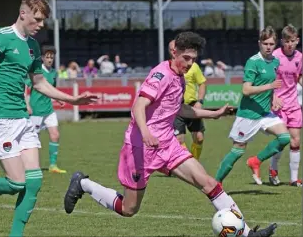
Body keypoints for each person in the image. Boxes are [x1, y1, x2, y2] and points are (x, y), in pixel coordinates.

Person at [64, 32, 277, 237]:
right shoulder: (161, 75)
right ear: (174, 52)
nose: (190, 63)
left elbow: (181, 109)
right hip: (140, 148)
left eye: (193, 59)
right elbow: (139, 106)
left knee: (208, 183)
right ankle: (83, 184)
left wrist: (214, 114)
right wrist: (146, 133)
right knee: (129, 209)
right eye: (186, 58)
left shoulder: (180, 77)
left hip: (167, 145)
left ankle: (247, 233)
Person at [0, 0, 98, 236]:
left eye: (43, 21)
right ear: (23, 14)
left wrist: (72, 99)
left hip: (22, 118)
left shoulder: (33, 46)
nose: (41, 25)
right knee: (16, 183)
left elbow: (39, 82)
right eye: (37, 19)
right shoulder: (1, 36)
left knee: (34, 182)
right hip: (1, 118)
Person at [215, 26, 290, 186]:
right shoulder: (253, 62)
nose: (268, 47)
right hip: (248, 114)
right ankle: (216, 182)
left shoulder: (275, 61)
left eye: (271, 44)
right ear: (259, 43)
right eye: (265, 43)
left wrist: (274, 98)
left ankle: (256, 161)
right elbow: (246, 90)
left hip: (264, 113)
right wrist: (270, 87)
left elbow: (269, 86)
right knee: (238, 150)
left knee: (284, 137)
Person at [268, 24, 302, 187]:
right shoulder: (275, 56)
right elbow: (269, 80)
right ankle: (273, 170)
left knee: (295, 141)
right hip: (278, 105)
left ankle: (294, 179)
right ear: (282, 41)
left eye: (293, 41)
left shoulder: (299, 57)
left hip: (294, 104)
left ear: (297, 41)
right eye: (287, 41)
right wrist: (273, 97)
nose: (289, 44)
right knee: (282, 140)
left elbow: (299, 76)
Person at [25, 45, 66, 174]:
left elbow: (51, 90)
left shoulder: (54, 73)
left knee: (55, 135)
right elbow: (25, 89)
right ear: (42, 58)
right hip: (35, 111)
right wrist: (27, 105)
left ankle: (53, 165)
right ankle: (31, 166)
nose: (50, 59)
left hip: (49, 110)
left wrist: (58, 99)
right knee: (33, 140)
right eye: (47, 57)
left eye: (52, 57)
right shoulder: (36, 72)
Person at [169, 40, 207, 161]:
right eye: (171, 49)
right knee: (179, 140)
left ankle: (194, 162)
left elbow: (202, 83)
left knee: (199, 138)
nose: (173, 51)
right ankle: (184, 163)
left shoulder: (193, 66)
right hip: (176, 108)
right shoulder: (167, 67)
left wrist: (200, 101)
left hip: (191, 106)